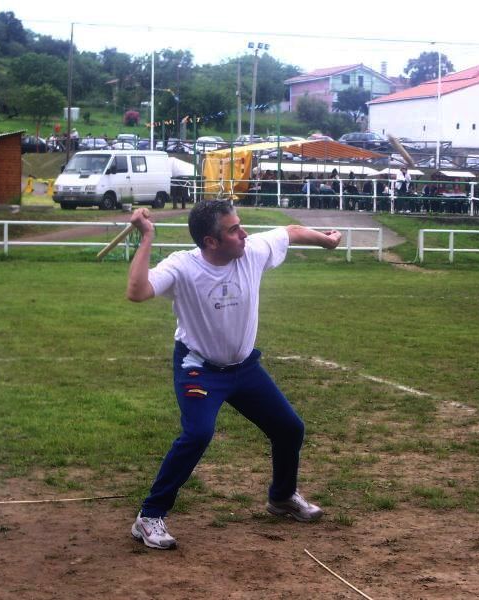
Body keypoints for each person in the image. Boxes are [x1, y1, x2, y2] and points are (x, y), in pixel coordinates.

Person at [126, 201, 342, 549]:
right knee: (197, 434)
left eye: (240, 226)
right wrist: (147, 236)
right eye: (233, 230)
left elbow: (290, 232)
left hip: (244, 368)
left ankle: (282, 497)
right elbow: (137, 292)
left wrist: (326, 241)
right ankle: (149, 516)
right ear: (211, 241)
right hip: (198, 368)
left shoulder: (251, 250)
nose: (244, 234)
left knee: (289, 428)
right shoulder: (182, 266)